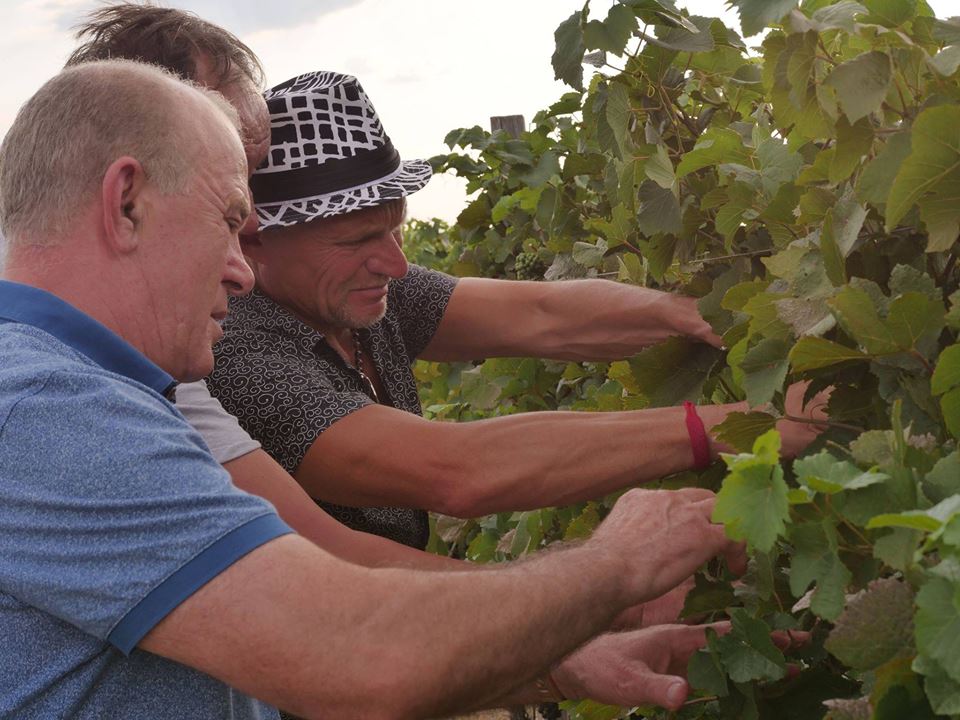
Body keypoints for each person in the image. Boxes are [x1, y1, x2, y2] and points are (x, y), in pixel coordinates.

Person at [0, 58, 751, 720]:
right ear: (127, 201)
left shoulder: (109, 385)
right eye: (229, 223)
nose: (239, 267)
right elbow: (359, 630)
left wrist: (695, 314)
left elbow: (544, 313)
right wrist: (619, 563)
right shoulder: (57, 413)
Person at [207, 70, 828, 550]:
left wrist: (687, 312)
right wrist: (741, 426)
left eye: (395, 231)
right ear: (253, 237)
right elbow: (458, 472)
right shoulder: (232, 351)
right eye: (357, 241)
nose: (395, 265)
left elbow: (544, 313)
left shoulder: (350, 291)